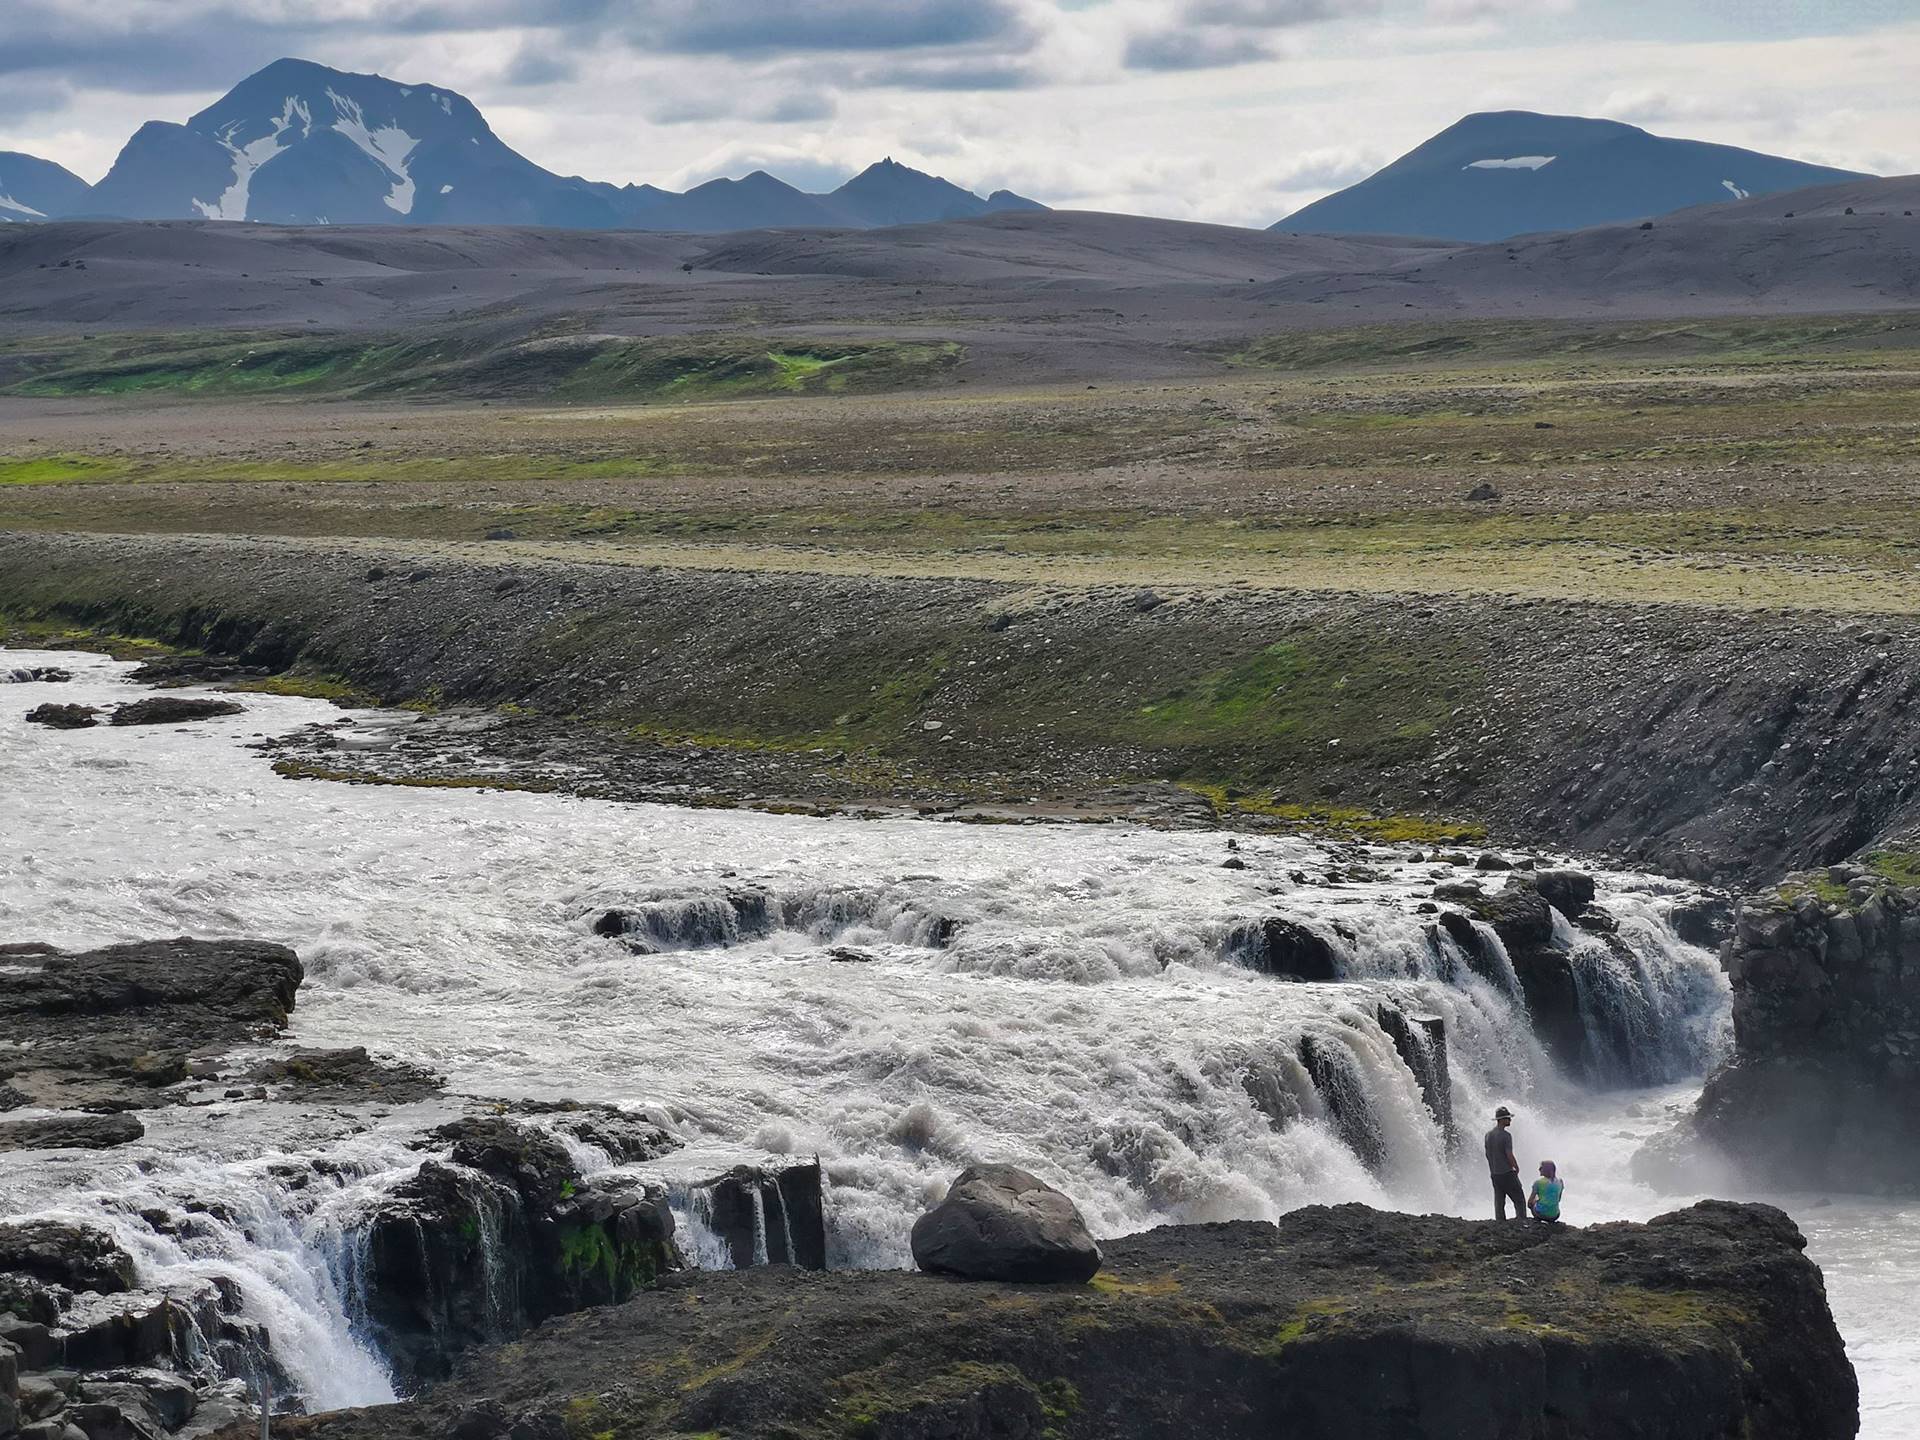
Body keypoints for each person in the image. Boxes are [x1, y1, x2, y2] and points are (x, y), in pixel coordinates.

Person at [1485, 1106, 1525, 1221]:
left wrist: (1493, 1168)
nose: (1510, 1120)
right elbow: (1509, 1154)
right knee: (1519, 1199)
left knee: (1499, 1201)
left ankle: (1500, 1223)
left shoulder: (1488, 1135)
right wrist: (1515, 1167)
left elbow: (1487, 1154)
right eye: (1508, 1118)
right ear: (1502, 1120)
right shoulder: (1506, 1136)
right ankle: (1521, 1222)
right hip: (1506, 1172)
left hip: (1494, 1173)